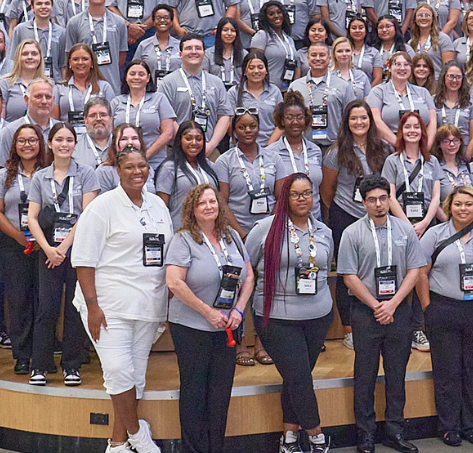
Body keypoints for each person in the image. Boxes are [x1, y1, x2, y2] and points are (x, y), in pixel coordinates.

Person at [72, 146, 172, 453]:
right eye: (129, 167)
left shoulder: (157, 206)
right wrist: (92, 306)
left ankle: (117, 444)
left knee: (134, 376)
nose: (138, 171)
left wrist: (165, 306)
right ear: (118, 170)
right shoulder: (102, 207)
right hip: (108, 307)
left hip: (148, 305)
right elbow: (84, 260)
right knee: (117, 371)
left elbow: (166, 258)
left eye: (142, 166)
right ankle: (138, 434)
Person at [246, 174, 336, 453]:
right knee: (299, 376)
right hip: (277, 318)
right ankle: (317, 435)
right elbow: (247, 268)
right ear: (285, 197)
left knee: (296, 378)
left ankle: (289, 438)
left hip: (318, 315)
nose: (302, 199)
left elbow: (324, 270)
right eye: (296, 194)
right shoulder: (264, 229)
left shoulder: (323, 231)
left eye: (307, 193)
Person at [337, 175, 425, 453]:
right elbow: (349, 277)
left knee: (397, 373)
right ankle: (365, 434)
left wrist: (393, 304)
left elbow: (414, 271)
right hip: (366, 311)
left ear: (390, 198)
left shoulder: (405, 230)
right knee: (365, 373)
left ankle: (395, 431)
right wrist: (377, 306)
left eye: (383, 198)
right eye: (372, 200)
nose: (378, 204)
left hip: (398, 309)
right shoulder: (352, 233)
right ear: (363, 202)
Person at [167, 184, 256, 453]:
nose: (209, 207)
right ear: (192, 209)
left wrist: (239, 309)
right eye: (202, 203)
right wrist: (208, 312)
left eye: (213, 202)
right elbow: (174, 282)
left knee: (220, 394)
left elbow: (249, 276)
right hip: (192, 327)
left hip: (227, 327)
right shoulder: (183, 239)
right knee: (195, 392)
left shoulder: (231, 236)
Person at [416, 185, 473, 446]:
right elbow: (421, 272)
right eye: (458, 204)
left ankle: (472, 425)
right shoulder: (434, 234)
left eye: (468, 204)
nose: (463, 208)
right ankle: (448, 426)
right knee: (447, 371)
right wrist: (427, 307)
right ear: (449, 207)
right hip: (443, 309)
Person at [26, 123, 96, 387]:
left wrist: (64, 248)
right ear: (51, 143)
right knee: (46, 308)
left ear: (75, 144)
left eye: (69, 140)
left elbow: (87, 216)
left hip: (77, 251)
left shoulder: (87, 174)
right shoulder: (40, 177)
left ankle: (71, 365)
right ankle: (40, 366)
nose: (64, 144)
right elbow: (32, 217)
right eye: (59, 139)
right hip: (48, 252)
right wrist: (48, 249)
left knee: (74, 308)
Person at [0, 124, 44, 375]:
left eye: (32, 140)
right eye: (22, 141)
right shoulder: (3, 176)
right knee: (18, 300)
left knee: (44, 300)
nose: (27, 145)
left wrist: (38, 239)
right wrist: (20, 238)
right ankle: (22, 355)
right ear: (14, 145)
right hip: (14, 245)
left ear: (41, 143)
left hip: (45, 244)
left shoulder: (48, 173)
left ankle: (43, 352)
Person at [216, 111, 279, 238]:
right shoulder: (224, 161)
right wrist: (243, 236)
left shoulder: (274, 157)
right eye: (242, 127)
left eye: (252, 126)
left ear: (259, 129)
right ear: (233, 131)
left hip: (269, 231)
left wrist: (270, 230)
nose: (248, 130)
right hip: (236, 232)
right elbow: (222, 202)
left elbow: (281, 198)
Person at [111, 60, 178, 167]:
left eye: (141, 74)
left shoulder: (159, 99)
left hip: (154, 161)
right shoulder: (116, 102)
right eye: (132, 74)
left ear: (148, 78)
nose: (136, 77)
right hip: (122, 162)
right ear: (126, 78)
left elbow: (168, 133)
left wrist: (144, 156)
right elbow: (111, 133)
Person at [367, 51, 435, 144]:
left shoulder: (423, 92)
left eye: (406, 64)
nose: (402, 68)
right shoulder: (378, 92)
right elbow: (376, 121)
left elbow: (433, 122)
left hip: (420, 145)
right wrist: (399, 145)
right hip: (389, 146)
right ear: (389, 68)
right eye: (398, 64)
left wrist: (425, 147)